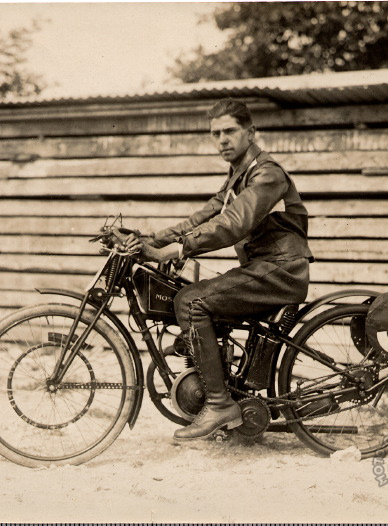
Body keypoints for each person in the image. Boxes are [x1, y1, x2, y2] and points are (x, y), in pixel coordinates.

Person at [128, 98, 313, 440]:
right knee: (191, 296)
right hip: (265, 267)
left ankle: (218, 404)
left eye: (230, 131)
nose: (222, 140)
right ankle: (224, 392)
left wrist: (179, 247)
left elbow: (233, 222)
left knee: (191, 301)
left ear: (250, 132)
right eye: (215, 134)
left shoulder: (266, 173)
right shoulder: (237, 176)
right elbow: (205, 216)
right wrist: (151, 238)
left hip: (281, 270)